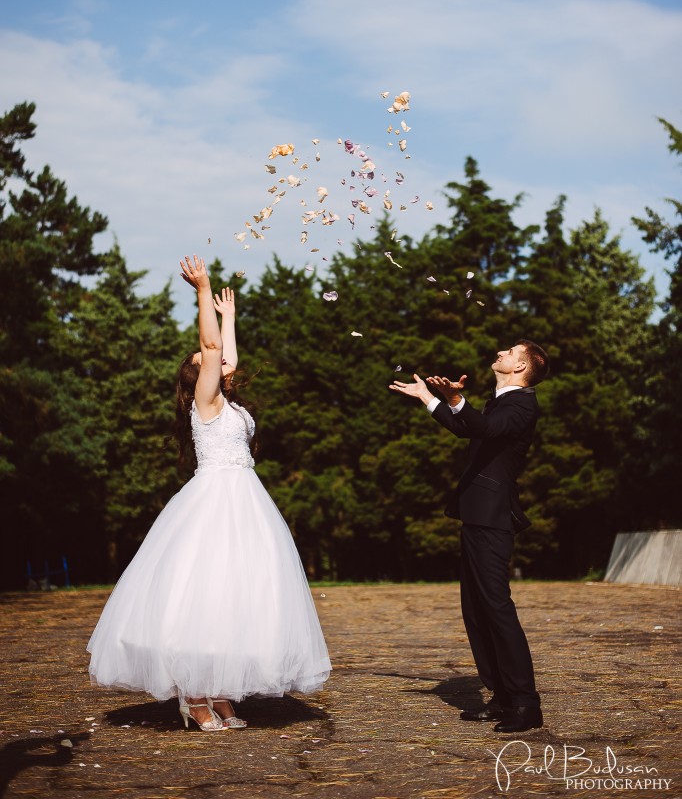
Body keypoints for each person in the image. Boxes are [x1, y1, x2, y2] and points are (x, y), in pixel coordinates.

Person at [87, 255, 331, 731]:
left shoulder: (230, 401)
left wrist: (231, 316)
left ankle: (219, 691)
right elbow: (212, 346)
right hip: (214, 501)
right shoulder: (205, 401)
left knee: (235, 595)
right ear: (195, 377)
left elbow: (226, 353)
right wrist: (202, 291)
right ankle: (193, 696)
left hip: (247, 500)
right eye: (208, 363)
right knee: (204, 592)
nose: (219, 363)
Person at [390, 339, 549, 734]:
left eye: (510, 352)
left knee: (496, 608)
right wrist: (430, 398)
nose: (500, 353)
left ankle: (527, 705)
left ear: (522, 366)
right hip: (478, 516)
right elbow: (467, 428)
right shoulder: (500, 402)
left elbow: (480, 425)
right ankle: (503, 696)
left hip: (494, 519)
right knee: (477, 611)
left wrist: (457, 399)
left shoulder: (521, 404)